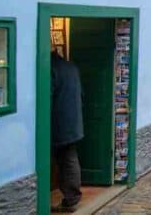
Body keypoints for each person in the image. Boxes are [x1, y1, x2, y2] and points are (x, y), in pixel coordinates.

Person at [51, 50, 84, 212]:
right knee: (69, 157)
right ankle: (71, 197)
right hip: (73, 122)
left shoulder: (51, 69)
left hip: (59, 123)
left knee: (67, 160)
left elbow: (46, 97)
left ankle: (71, 198)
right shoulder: (71, 68)